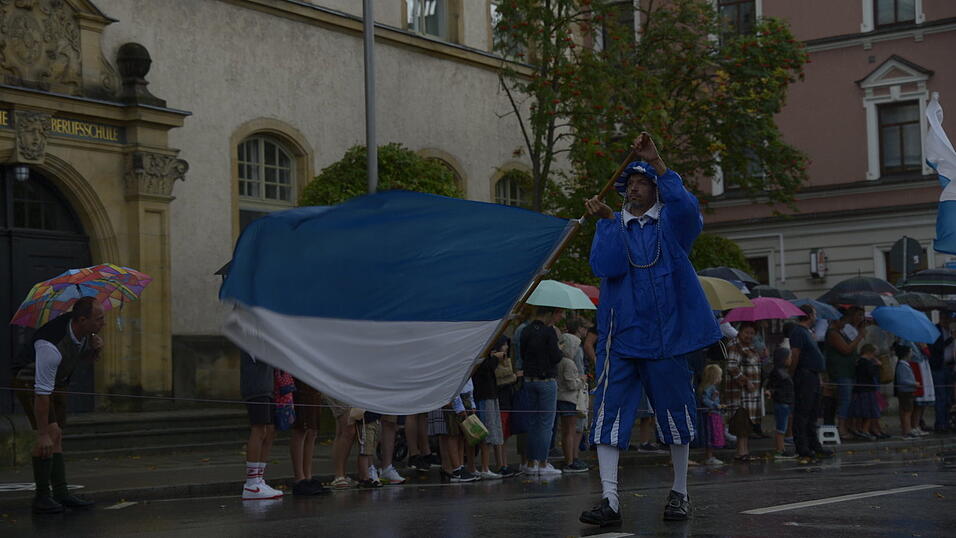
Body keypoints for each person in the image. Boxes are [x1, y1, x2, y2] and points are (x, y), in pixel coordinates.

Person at [580, 132, 722, 526]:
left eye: (643, 182)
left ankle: (680, 493)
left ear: (656, 189)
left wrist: (658, 162)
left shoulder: (671, 225)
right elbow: (605, 266)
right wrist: (606, 222)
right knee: (608, 413)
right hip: (621, 339)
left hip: (667, 339)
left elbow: (688, 208)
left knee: (676, 414)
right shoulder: (613, 225)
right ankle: (609, 499)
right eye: (631, 183)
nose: (634, 188)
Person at [12, 297, 104, 513]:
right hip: (29, 379)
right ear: (83, 320)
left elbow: (79, 358)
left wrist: (95, 351)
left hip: (57, 381)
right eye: (99, 319)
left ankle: (61, 493)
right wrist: (42, 433)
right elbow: (42, 394)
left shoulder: (84, 334)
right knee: (49, 435)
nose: (104, 323)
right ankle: (42, 497)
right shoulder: (49, 347)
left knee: (57, 435)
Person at [520, 306, 565, 475]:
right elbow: (556, 357)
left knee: (532, 423)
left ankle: (531, 463)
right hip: (546, 381)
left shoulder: (525, 330)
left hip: (529, 380)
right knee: (546, 424)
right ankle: (543, 463)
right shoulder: (549, 332)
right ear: (549, 313)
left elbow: (522, 354)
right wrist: (559, 348)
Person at [788, 304, 834, 462]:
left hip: (813, 375)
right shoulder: (798, 332)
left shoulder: (808, 332)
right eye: (814, 314)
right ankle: (802, 446)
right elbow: (795, 354)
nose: (816, 317)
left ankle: (814, 444)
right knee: (803, 412)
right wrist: (792, 374)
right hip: (804, 375)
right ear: (808, 315)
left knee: (813, 412)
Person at [239, 351, 283, 500]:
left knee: (269, 430)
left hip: (267, 387)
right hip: (256, 387)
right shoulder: (252, 337)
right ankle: (251, 483)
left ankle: (259, 479)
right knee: (259, 429)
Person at [724, 322, 763, 462]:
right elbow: (732, 367)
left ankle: (744, 451)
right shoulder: (735, 345)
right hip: (740, 394)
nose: (749, 336)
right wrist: (746, 381)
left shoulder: (750, 346)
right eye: (747, 332)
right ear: (740, 331)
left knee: (747, 424)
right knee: (741, 422)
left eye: (752, 333)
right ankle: (741, 452)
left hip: (750, 395)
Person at [825, 307, 866, 438]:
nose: (845, 324)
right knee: (844, 400)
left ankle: (847, 426)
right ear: (838, 320)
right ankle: (841, 428)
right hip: (840, 372)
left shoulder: (841, 332)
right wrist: (859, 336)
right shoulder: (833, 333)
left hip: (849, 370)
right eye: (844, 321)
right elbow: (846, 349)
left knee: (848, 401)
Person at [289, 378, 329, 495]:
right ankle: (299, 478)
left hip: (313, 382)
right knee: (301, 428)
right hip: (301, 381)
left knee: (312, 430)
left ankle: (308, 476)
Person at [474, 337, 507, 479]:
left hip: (491, 394)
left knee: (492, 429)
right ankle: (484, 467)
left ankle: (486, 467)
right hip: (484, 395)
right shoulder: (481, 354)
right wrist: (495, 358)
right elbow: (484, 368)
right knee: (486, 431)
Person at [557, 326, 588, 473]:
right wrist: (582, 380)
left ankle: (568, 459)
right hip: (569, 400)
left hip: (562, 398)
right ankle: (570, 461)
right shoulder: (568, 362)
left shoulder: (560, 361)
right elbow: (571, 384)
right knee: (570, 431)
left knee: (566, 431)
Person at [766, 345, 796, 459]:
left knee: (783, 426)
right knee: (781, 428)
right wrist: (771, 392)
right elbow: (773, 386)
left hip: (785, 402)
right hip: (781, 402)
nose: (790, 360)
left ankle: (781, 448)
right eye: (789, 357)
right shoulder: (778, 373)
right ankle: (780, 449)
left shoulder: (782, 372)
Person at [848, 344, 883, 440]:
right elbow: (871, 374)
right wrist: (877, 366)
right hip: (867, 389)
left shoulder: (859, 362)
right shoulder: (866, 362)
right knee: (869, 412)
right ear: (869, 352)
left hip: (860, 389)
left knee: (862, 412)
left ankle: (860, 429)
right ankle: (865, 430)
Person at [698, 364, 725, 465]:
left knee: (712, 435)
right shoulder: (709, 388)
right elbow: (705, 400)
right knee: (711, 435)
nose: (721, 378)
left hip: (713, 413)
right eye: (719, 376)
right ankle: (709, 456)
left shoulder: (711, 388)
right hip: (711, 414)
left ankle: (710, 456)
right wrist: (715, 405)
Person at [894, 344, 920, 439]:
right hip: (906, 392)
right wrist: (914, 383)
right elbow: (903, 380)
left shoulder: (905, 364)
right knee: (907, 412)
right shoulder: (902, 365)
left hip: (908, 391)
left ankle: (907, 430)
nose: (912, 354)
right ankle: (907, 431)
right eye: (910, 352)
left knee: (907, 411)